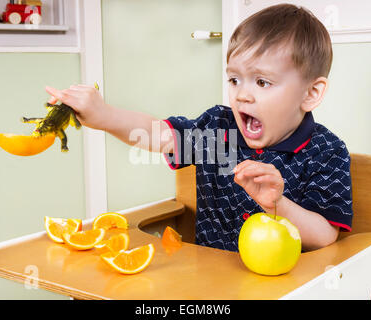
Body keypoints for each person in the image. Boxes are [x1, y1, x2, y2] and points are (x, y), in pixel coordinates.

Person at [45, 4, 353, 252]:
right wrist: (103, 116)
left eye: (262, 82)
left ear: (310, 94)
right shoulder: (218, 130)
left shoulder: (326, 151)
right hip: (208, 285)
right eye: (234, 79)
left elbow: (325, 235)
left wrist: (277, 205)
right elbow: (159, 135)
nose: (242, 94)